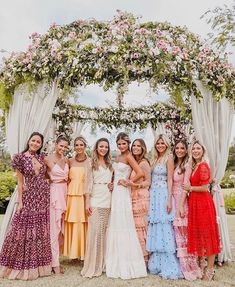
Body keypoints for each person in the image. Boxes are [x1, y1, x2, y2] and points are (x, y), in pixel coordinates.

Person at [0, 132, 52, 280]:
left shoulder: (42, 158)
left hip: (42, 197)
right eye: (33, 140)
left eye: (38, 142)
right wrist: (20, 202)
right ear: (28, 141)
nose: (35, 143)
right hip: (28, 198)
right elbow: (20, 183)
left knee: (39, 229)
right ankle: (18, 264)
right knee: (22, 229)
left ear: (41, 144)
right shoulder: (19, 158)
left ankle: (38, 266)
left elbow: (49, 175)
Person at [105, 132, 147, 279]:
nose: (122, 146)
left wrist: (128, 182)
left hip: (123, 192)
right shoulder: (117, 156)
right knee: (115, 222)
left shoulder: (129, 156)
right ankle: (115, 257)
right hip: (115, 192)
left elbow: (140, 173)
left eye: (124, 143)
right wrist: (112, 182)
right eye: (119, 143)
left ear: (128, 144)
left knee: (124, 223)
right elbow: (114, 174)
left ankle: (127, 260)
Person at [183, 140, 220, 281]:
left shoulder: (203, 165)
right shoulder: (194, 166)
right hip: (195, 204)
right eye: (193, 149)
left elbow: (205, 187)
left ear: (203, 151)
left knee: (209, 237)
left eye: (198, 148)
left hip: (204, 204)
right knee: (200, 235)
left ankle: (210, 270)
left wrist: (190, 188)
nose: (195, 151)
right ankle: (202, 266)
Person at [146, 134, 182, 279]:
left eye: (162, 143)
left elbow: (170, 181)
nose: (160, 145)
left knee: (164, 225)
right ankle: (157, 263)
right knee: (155, 225)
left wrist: (168, 200)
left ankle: (169, 263)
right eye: (158, 143)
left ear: (166, 145)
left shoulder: (169, 158)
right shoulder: (154, 159)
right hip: (153, 194)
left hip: (163, 195)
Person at [81, 138, 113, 278]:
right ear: (96, 147)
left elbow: (113, 180)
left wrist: (112, 185)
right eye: (101, 146)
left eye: (106, 147)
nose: (103, 149)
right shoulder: (90, 163)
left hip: (108, 199)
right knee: (95, 233)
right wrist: (87, 202)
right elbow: (87, 184)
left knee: (104, 233)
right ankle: (92, 265)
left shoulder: (110, 164)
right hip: (95, 199)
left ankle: (103, 264)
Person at [172, 140, 201, 280]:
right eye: (177, 148)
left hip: (181, 201)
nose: (179, 150)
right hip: (172, 200)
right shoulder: (174, 163)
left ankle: (189, 268)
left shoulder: (188, 165)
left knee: (184, 236)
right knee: (177, 236)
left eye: (182, 148)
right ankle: (180, 265)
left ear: (186, 150)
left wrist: (181, 206)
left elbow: (185, 186)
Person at [63, 136, 91, 261]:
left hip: (84, 195)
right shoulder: (69, 161)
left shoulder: (91, 161)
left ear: (85, 146)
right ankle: (73, 254)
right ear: (74, 147)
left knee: (83, 223)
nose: (79, 147)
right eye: (76, 145)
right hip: (71, 195)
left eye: (81, 145)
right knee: (72, 222)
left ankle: (84, 253)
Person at [45, 135, 70, 274]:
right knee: (54, 230)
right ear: (56, 144)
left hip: (66, 193)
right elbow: (42, 176)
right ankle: (54, 264)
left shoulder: (66, 160)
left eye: (66, 147)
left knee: (62, 230)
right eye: (61, 145)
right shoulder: (47, 159)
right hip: (55, 194)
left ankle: (57, 259)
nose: (63, 148)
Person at [129, 138, 151, 264]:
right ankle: (139, 256)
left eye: (138, 146)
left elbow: (148, 182)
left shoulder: (143, 163)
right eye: (134, 145)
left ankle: (145, 258)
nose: (135, 148)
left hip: (141, 197)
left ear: (143, 148)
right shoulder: (134, 162)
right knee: (137, 227)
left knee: (143, 227)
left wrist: (135, 185)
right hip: (134, 196)